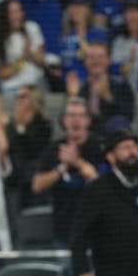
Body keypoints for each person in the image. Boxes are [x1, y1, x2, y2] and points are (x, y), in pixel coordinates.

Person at [70, 128, 138, 276]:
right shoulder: (97, 190)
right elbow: (79, 234)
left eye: (134, 147)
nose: (132, 153)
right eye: (125, 148)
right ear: (110, 156)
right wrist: (83, 271)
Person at [32, 97, 103, 249]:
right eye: (71, 115)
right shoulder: (53, 149)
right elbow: (37, 185)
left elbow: (103, 184)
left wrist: (77, 162)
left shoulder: (99, 147)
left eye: (80, 115)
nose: (75, 120)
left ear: (88, 121)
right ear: (64, 121)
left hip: (96, 229)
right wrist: (62, 167)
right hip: (64, 230)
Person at [67, 40, 135, 133]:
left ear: (108, 60)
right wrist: (73, 97)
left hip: (112, 137)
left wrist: (108, 98)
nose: (96, 61)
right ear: (85, 62)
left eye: (100, 57)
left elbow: (129, 117)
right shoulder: (79, 87)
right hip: (85, 138)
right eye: (91, 57)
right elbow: (63, 121)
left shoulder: (121, 85)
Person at [0, 0, 48, 95]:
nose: (17, 16)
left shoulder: (32, 28)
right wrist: (22, 60)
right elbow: (4, 74)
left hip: (36, 85)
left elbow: (41, 61)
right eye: (12, 12)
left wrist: (30, 53)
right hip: (12, 89)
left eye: (19, 11)